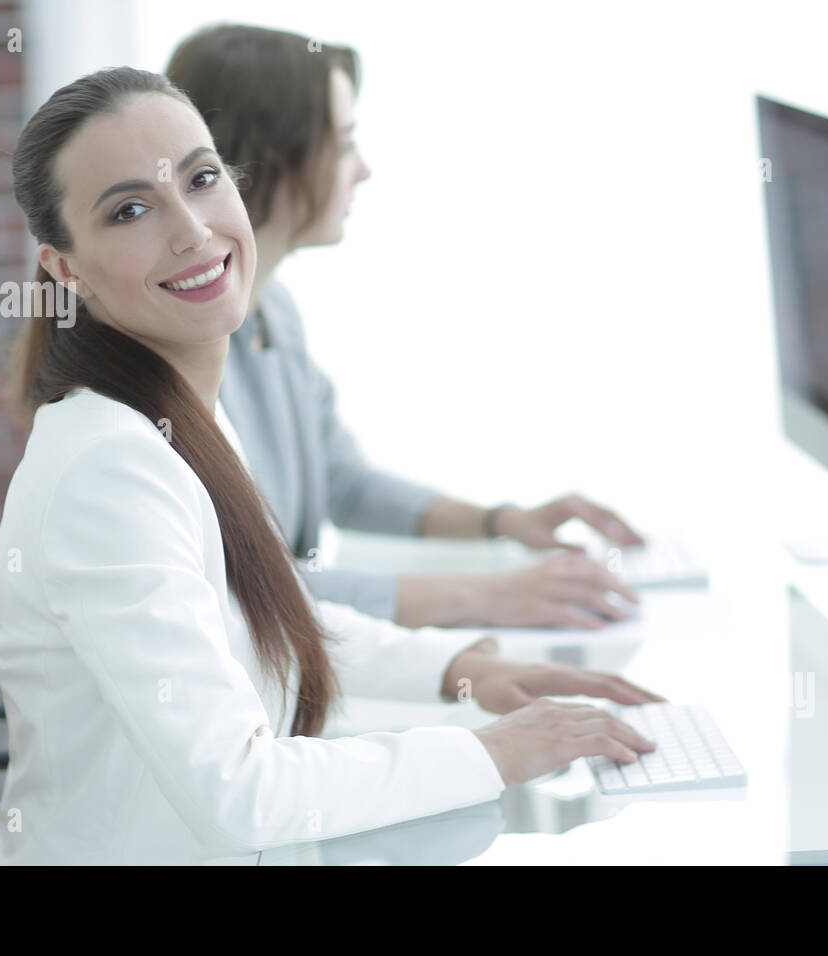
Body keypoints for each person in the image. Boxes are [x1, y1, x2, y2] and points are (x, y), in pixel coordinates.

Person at [0, 66, 661, 863]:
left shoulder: (176, 414)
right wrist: (496, 751)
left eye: (201, 178)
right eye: (130, 210)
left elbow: (271, 619)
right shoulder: (109, 472)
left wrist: (458, 668)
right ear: (68, 272)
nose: (192, 230)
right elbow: (243, 792)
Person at [165, 25, 649, 631]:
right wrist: (488, 596)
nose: (362, 171)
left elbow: (345, 483)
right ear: (273, 156)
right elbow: (254, 595)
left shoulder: (272, 309)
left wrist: (499, 522)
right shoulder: (184, 360)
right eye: (343, 145)